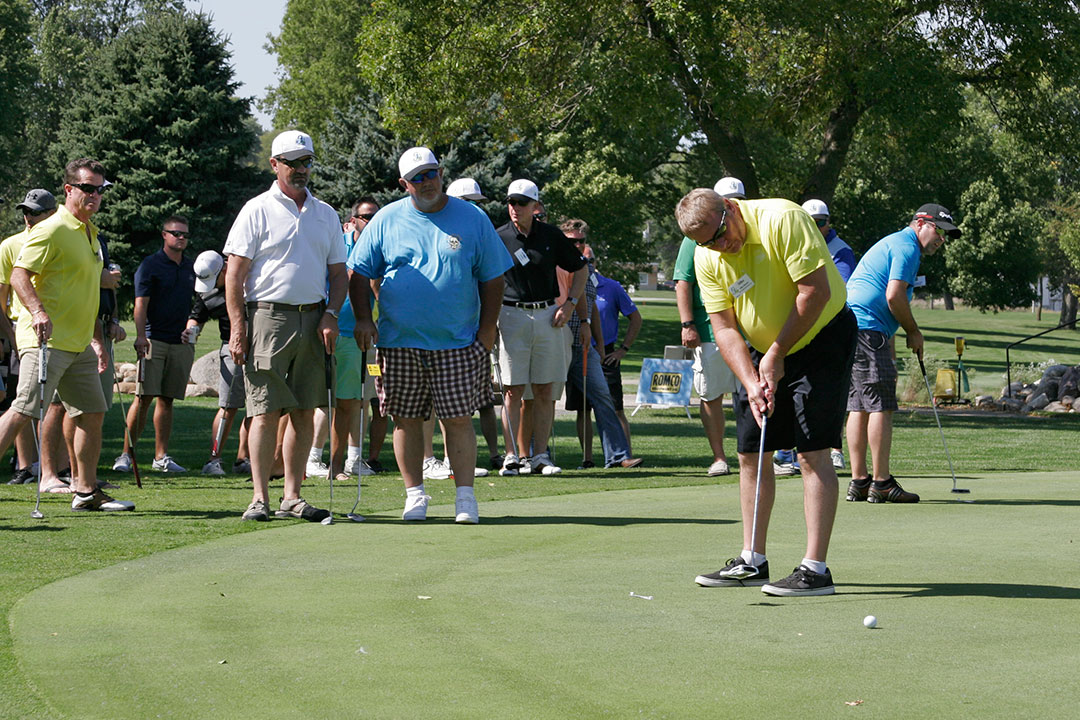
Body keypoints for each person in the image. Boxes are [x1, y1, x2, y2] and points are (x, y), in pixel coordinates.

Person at [676, 187, 855, 596]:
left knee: (811, 452)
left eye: (721, 235)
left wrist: (776, 354)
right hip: (761, 348)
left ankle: (815, 569)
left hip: (822, 337)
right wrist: (750, 379)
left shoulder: (783, 219)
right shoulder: (709, 255)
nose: (722, 247)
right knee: (751, 452)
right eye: (707, 244)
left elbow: (816, 292)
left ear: (731, 209)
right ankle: (752, 560)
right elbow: (722, 326)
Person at [350, 146, 511, 524]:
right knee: (404, 419)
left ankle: (465, 498)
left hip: (458, 341)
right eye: (417, 178)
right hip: (399, 341)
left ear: (441, 172)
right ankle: (414, 495)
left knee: (458, 419)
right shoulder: (387, 219)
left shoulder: (472, 218)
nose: (427, 183)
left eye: (431, 173)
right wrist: (363, 318)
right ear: (404, 184)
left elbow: (493, 278)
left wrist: (487, 331)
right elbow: (359, 273)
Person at [224, 130, 347, 522]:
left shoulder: (325, 213)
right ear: (274, 164)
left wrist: (331, 313)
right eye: (292, 162)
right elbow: (234, 274)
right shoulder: (256, 209)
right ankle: (259, 498)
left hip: (312, 318)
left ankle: (292, 497)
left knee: (304, 409)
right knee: (263, 411)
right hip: (266, 317)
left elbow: (339, 274)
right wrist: (238, 326)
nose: (300, 170)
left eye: (306, 162)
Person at [0, 158, 133, 511]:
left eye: (100, 190)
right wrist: (39, 312)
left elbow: (83, 292)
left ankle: (86, 492)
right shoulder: (52, 228)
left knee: (92, 412)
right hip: (45, 341)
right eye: (87, 188)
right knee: (23, 411)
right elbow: (18, 276)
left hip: (78, 345)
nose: (94, 195)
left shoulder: (89, 233)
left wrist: (94, 340)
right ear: (69, 189)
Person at [844, 203, 960, 505]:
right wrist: (913, 331)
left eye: (946, 235)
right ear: (921, 223)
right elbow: (894, 296)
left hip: (854, 327)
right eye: (939, 230)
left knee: (859, 405)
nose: (941, 239)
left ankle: (859, 481)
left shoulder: (895, 242)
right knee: (881, 404)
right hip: (867, 329)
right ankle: (881, 482)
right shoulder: (907, 248)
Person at [496, 179, 587, 475]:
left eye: (521, 203)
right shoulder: (499, 237)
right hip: (510, 316)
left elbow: (580, 268)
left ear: (535, 207)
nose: (515, 208)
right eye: (511, 202)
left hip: (548, 315)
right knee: (513, 390)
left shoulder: (550, 235)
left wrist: (570, 304)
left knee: (545, 389)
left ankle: (540, 456)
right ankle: (511, 456)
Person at [113, 216, 196, 474]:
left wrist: (193, 327)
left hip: (180, 343)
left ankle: (161, 457)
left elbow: (200, 302)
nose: (180, 238)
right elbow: (141, 304)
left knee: (167, 399)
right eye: (175, 233)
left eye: (184, 234)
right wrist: (140, 336)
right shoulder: (150, 265)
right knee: (144, 397)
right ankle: (126, 454)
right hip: (153, 340)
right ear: (164, 235)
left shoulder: (190, 267)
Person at [560, 219, 641, 469]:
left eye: (580, 241)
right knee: (539, 398)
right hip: (556, 341)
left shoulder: (587, 272)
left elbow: (591, 308)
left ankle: (618, 455)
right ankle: (531, 456)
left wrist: (602, 347)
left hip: (585, 347)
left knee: (604, 398)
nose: (577, 245)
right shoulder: (554, 266)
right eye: (571, 241)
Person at [674, 178, 741, 477]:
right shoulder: (695, 237)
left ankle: (756, 452)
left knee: (753, 392)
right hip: (711, 327)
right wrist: (688, 324)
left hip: (750, 327)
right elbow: (683, 281)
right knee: (711, 393)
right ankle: (719, 457)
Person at [1, 190, 57, 486]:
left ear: (50, 213)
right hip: (23, 330)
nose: (28, 217)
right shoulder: (10, 245)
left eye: (34, 212)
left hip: (58, 331)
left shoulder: (60, 238)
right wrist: (8, 334)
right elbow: (3, 295)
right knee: (22, 402)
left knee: (52, 404)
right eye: (25, 211)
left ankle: (53, 469)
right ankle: (25, 466)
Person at [802, 198, 856, 470]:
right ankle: (789, 452)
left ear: (828, 223)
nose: (815, 226)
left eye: (820, 222)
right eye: (809, 222)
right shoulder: (796, 245)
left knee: (830, 391)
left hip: (832, 329)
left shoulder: (840, 251)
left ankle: (835, 448)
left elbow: (839, 291)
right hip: (802, 328)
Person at [188, 251, 251, 476]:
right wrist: (190, 329)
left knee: (256, 408)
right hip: (231, 348)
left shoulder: (249, 280)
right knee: (228, 405)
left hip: (259, 346)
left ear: (225, 269)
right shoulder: (208, 293)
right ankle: (214, 459)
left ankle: (244, 458)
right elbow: (197, 315)